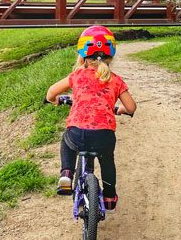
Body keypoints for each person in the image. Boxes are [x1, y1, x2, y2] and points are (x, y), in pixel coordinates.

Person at [45, 25, 137, 210]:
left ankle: (66, 174)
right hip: (103, 136)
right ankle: (110, 197)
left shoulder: (76, 76)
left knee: (66, 140)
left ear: (83, 55)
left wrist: (53, 100)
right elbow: (131, 107)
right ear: (110, 55)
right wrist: (121, 110)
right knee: (107, 161)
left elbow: (50, 93)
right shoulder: (116, 80)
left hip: (77, 134)